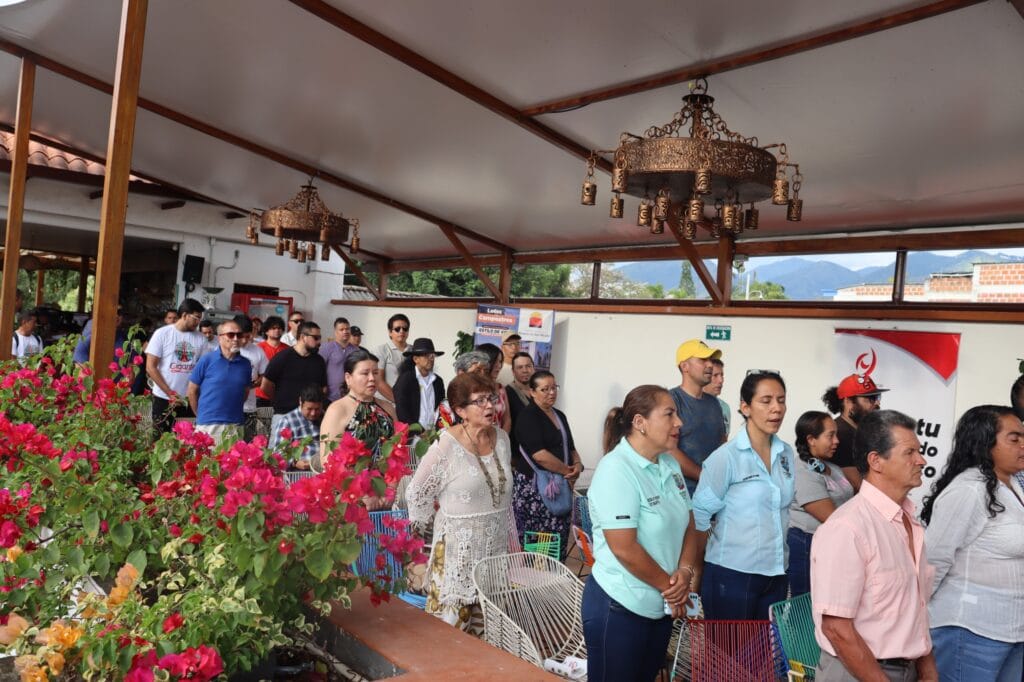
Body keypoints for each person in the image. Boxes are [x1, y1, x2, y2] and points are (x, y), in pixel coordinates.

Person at [584, 384, 703, 682]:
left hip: (662, 605)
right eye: (669, 414)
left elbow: (689, 524)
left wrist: (686, 572)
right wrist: (672, 587)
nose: (679, 423)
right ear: (640, 423)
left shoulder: (669, 464)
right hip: (621, 605)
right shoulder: (616, 469)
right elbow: (624, 547)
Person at [811, 410, 937, 682]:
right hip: (855, 671)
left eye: (920, 451)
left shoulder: (909, 524)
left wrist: (927, 669)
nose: (921, 460)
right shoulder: (847, 528)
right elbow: (836, 628)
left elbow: (916, 608)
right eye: (910, 453)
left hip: (907, 668)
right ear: (876, 461)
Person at [921, 405, 1024, 682]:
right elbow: (933, 561)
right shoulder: (969, 489)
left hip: (1013, 629)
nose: (1023, 445)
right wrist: (916, 622)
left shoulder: (1013, 485)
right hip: (969, 630)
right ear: (985, 442)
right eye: (1014, 439)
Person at [406, 372, 512, 634]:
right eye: (480, 401)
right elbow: (417, 492)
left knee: (489, 631)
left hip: (493, 550)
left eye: (492, 398)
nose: (490, 406)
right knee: (450, 631)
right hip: (457, 552)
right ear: (460, 410)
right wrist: (424, 533)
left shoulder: (503, 440)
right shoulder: (447, 445)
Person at [691, 370, 795, 620]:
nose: (776, 409)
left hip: (777, 573)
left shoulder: (786, 454)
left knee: (762, 655)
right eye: (766, 400)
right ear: (745, 407)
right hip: (732, 574)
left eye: (781, 400)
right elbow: (699, 518)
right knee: (728, 656)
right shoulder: (726, 458)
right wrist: (693, 575)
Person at [512, 370, 582, 556]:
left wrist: (577, 465)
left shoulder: (560, 415)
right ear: (532, 392)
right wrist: (567, 471)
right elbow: (540, 455)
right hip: (534, 490)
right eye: (545, 389)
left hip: (559, 484)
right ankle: (533, 581)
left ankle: (553, 578)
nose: (552, 392)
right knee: (535, 542)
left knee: (556, 540)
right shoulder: (528, 416)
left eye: (554, 388)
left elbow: (571, 446)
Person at [786, 411, 854, 596]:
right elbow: (831, 517)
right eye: (830, 435)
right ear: (811, 439)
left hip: (830, 545)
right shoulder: (802, 470)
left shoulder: (831, 467)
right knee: (806, 608)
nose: (837, 441)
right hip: (807, 545)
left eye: (836, 435)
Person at [319, 351, 396, 504]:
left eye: (375, 372)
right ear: (348, 378)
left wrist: (391, 487)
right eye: (365, 373)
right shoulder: (338, 409)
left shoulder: (387, 407)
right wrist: (362, 494)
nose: (372, 378)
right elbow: (327, 460)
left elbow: (396, 454)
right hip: (351, 497)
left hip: (385, 494)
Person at [669, 339, 727, 496]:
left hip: (713, 495)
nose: (709, 365)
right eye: (703, 360)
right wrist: (705, 477)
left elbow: (722, 444)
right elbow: (668, 450)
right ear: (684, 366)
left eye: (710, 360)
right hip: (681, 497)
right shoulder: (671, 400)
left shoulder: (714, 403)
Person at [146, 298, 208, 434]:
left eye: (200, 319)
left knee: (186, 441)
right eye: (196, 318)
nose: (198, 322)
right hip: (163, 397)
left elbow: (203, 369)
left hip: (188, 399)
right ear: (185, 315)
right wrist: (170, 393)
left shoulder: (201, 338)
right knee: (159, 438)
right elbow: (151, 367)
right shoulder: (162, 334)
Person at [186, 319, 251, 446]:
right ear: (220, 338)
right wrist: (200, 415)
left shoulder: (246, 364)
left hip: (235, 424)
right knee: (207, 464)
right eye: (231, 335)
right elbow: (192, 390)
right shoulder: (206, 360)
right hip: (208, 425)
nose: (236, 338)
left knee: (233, 465)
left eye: (239, 335)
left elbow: (245, 392)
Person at [822, 372, 889, 491]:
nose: (877, 403)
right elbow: (858, 486)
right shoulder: (840, 434)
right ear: (848, 401)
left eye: (877, 397)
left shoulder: (860, 432)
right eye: (870, 398)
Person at [261, 321, 327, 437]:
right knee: (278, 453)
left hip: (310, 418)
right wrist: (279, 400)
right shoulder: (282, 357)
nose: (319, 342)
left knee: (309, 454)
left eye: (320, 338)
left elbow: (323, 388)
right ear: (303, 337)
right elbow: (266, 385)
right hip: (284, 414)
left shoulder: (319, 361)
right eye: (315, 338)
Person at [393, 337, 445, 430]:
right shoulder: (406, 379)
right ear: (416, 359)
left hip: (433, 435)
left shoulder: (438, 381)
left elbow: (440, 408)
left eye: (432, 356)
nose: (430, 359)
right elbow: (402, 410)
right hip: (413, 436)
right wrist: (417, 431)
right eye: (426, 356)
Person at [269, 384, 325, 470]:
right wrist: (294, 462)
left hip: (323, 469)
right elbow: (278, 453)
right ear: (300, 402)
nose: (313, 413)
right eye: (309, 409)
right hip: (299, 472)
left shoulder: (326, 418)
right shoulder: (288, 421)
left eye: (317, 409)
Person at [234, 315, 268, 440]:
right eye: (241, 336)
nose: (244, 341)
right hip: (228, 408)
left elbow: (265, 374)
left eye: (247, 337)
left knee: (248, 445)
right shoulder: (225, 349)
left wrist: (258, 381)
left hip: (249, 408)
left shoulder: (258, 351)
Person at [475, 343, 512, 433]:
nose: (499, 366)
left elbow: (507, 419)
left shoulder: (500, 389)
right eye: (495, 361)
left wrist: (501, 440)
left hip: (499, 442)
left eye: (500, 362)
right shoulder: (471, 388)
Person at [374, 313, 410, 403]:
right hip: (385, 403)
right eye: (397, 329)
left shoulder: (413, 351)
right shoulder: (381, 350)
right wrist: (398, 401)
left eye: (405, 329)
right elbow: (378, 382)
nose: (401, 331)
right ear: (390, 332)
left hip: (408, 403)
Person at [320, 316, 356, 402]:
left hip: (350, 396)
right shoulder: (326, 348)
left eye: (347, 329)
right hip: (329, 396)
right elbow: (319, 369)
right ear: (335, 332)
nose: (345, 331)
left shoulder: (356, 350)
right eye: (341, 329)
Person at [255, 315, 287, 408]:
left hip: (281, 394)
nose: (277, 330)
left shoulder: (288, 349)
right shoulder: (258, 348)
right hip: (260, 394)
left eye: (279, 328)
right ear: (266, 331)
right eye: (273, 328)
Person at [505, 351, 534, 425]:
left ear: (533, 368)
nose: (525, 370)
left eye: (528, 366)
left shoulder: (539, 391)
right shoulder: (506, 393)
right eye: (520, 367)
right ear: (513, 371)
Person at [707, 357, 731, 434]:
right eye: (715, 375)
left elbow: (724, 442)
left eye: (722, 375)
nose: (721, 380)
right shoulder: (687, 403)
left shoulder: (724, 407)